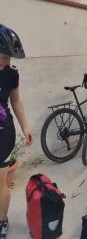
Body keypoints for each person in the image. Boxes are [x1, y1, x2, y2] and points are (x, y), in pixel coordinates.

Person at [0, 24, 33, 238]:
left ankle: (2, 220)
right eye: (3, 56)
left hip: (3, 132)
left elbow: (16, 99)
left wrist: (25, 126)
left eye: (9, 58)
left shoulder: (11, 73)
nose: (6, 62)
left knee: (1, 181)